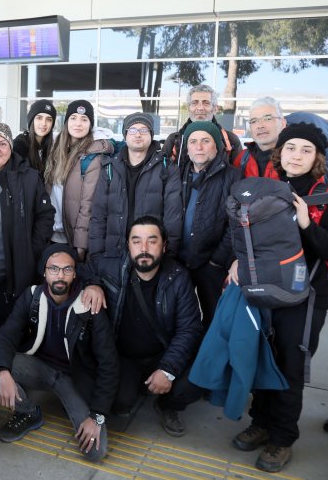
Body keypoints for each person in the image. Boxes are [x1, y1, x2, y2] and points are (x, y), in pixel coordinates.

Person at [229, 122, 328, 473]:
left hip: (306, 297)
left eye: (306, 150)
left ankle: (282, 438)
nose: (296, 155)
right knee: (262, 357)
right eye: (291, 148)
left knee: (289, 366)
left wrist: (305, 225)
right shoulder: (267, 190)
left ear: (317, 158)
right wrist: (238, 260)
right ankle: (261, 421)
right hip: (265, 290)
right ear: (279, 153)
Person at [0, 244, 117, 463]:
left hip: (74, 378)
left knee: (95, 451)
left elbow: (109, 364)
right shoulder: (32, 297)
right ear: (44, 272)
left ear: (75, 273)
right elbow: (6, 336)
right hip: (41, 368)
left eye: (67, 270)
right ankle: (27, 412)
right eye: (54, 269)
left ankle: (75, 408)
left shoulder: (89, 305)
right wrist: (4, 373)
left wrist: (97, 416)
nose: (60, 275)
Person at [97, 215, 202, 437]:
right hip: (125, 357)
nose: (143, 248)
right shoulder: (113, 267)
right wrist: (91, 285)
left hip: (162, 353)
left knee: (198, 377)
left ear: (164, 246)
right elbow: (82, 269)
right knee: (120, 404)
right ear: (128, 245)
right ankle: (140, 388)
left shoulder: (178, 277)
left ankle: (168, 405)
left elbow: (189, 329)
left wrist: (168, 369)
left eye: (152, 241)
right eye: (136, 241)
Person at [0, 122, 55, 363]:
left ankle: (8, 370)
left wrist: (32, 249)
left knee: (9, 324)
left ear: (10, 146)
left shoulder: (27, 176)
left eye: (2, 144)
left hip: (13, 270)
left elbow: (45, 215)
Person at [88, 112, 182, 262]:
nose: (138, 134)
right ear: (125, 136)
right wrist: (96, 255)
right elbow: (99, 216)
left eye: (144, 130)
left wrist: (168, 256)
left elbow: (173, 219)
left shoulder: (167, 169)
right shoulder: (110, 168)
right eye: (132, 130)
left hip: (150, 255)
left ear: (151, 135)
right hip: (114, 253)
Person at [177, 121, 240, 329]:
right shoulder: (177, 174)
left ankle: (208, 361)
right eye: (193, 142)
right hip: (178, 261)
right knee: (179, 319)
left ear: (217, 146)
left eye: (206, 141)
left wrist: (216, 260)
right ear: (187, 148)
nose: (199, 147)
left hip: (211, 264)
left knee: (214, 320)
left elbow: (236, 223)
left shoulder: (232, 177)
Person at [44, 100, 113, 261]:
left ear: (90, 124)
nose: (78, 124)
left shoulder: (93, 156)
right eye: (73, 118)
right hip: (50, 233)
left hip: (72, 238)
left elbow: (87, 204)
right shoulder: (55, 149)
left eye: (84, 119)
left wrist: (80, 245)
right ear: (67, 121)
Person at [162, 84, 242, 168]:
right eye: (194, 103)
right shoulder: (174, 140)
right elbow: (162, 172)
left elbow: (239, 175)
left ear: (215, 108)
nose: (200, 108)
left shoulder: (231, 140)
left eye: (206, 103)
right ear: (188, 108)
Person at [232, 96, 286, 178]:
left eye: (267, 118)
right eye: (254, 121)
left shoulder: (293, 159)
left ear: (282, 123)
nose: (260, 125)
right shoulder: (242, 159)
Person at [13, 99, 57, 173]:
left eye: (49, 119)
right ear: (31, 120)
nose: (43, 123)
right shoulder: (19, 146)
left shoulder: (52, 147)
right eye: (39, 118)